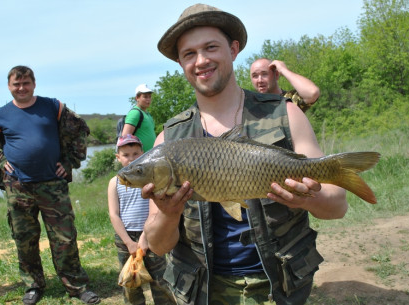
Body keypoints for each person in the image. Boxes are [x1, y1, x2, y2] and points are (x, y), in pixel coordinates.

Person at [141, 4, 348, 305]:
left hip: (282, 284)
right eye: (189, 54)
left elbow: (338, 206)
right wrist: (169, 213)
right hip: (203, 290)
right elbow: (159, 246)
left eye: (211, 47)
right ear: (180, 62)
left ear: (234, 49)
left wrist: (309, 197)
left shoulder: (286, 115)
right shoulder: (169, 140)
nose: (201, 61)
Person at [0, 65, 100, 305]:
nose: (21, 88)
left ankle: (77, 286)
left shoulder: (53, 107)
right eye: (16, 84)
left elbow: (79, 130)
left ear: (34, 84)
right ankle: (33, 286)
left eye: (26, 83)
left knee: (64, 238)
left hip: (52, 185)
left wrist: (70, 161)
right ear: (9, 86)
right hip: (18, 186)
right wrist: (0, 161)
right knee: (25, 238)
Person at [108, 134, 176, 305]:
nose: (131, 158)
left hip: (151, 234)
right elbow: (114, 215)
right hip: (125, 238)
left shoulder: (152, 180)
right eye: (126, 155)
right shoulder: (114, 183)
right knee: (130, 283)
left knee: (160, 281)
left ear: (144, 154)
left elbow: (155, 211)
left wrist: (145, 237)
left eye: (136, 154)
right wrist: (129, 243)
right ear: (118, 157)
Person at [250, 58, 319, 112]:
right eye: (255, 76)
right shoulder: (250, 106)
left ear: (276, 75)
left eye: (264, 74)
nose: (260, 80)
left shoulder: (289, 100)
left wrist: (284, 70)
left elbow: (312, 92)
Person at [120, 84, 157, 151]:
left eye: (150, 97)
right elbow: (125, 137)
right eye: (145, 97)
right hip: (141, 158)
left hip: (150, 155)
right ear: (137, 98)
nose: (148, 99)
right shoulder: (135, 113)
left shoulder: (147, 114)